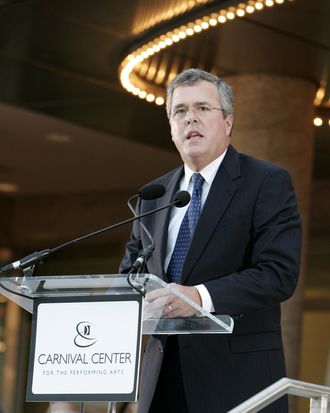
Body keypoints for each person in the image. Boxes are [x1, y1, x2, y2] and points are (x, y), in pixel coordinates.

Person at [119, 68, 302, 413]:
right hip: (160, 382)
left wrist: (200, 297)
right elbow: (131, 274)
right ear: (172, 128)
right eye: (180, 111)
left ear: (228, 122)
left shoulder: (266, 182)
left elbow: (279, 274)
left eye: (203, 108)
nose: (191, 119)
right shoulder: (152, 196)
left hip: (235, 383)